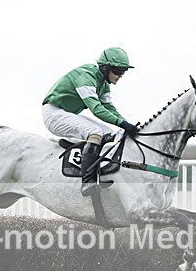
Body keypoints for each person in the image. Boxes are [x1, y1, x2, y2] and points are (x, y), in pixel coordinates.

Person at [42, 47, 138, 196]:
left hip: (67, 113)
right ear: (105, 67)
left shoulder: (104, 84)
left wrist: (125, 124)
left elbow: (109, 108)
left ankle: (101, 174)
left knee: (112, 134)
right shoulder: (86, 76)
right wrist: (123, 124)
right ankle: (87, 182)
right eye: (118, 71)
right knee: (95, 132)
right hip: (53, 114)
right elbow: (96, 109)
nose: (120, 76)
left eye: (123, 72)